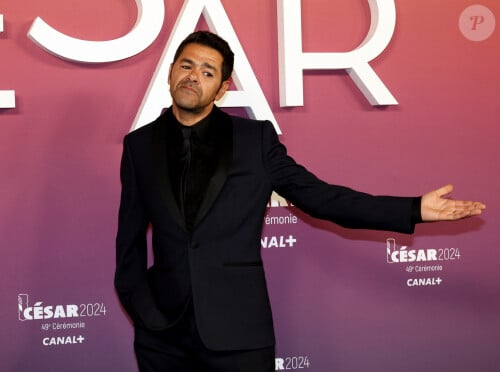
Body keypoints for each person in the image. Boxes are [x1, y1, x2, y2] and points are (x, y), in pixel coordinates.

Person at [114, 31, 485, 372]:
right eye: (187, 65)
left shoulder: (254, 141)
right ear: (171, 72)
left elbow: (320, 197)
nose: (194, 76)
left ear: (222, 88)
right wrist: (145, 313)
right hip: (163, 337)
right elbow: (128, 242)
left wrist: (412, 209)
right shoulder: (139, 145)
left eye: (207, 72)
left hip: (239, 335)